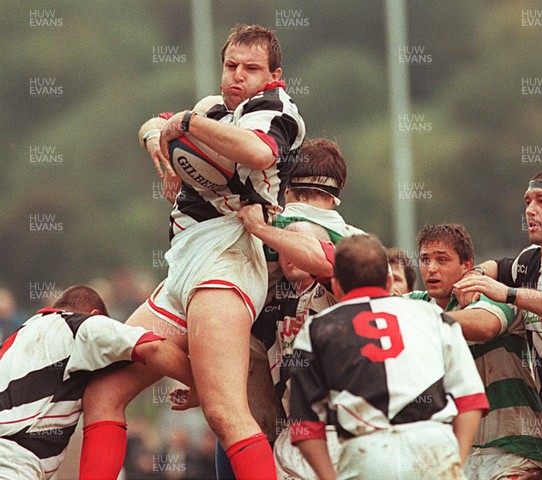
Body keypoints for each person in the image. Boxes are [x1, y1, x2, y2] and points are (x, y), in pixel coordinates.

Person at [81, 24, 305, 480]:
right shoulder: (214, 108)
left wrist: (184, 125)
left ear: (275, 75)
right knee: (102, 391)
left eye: (252, 68)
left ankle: (209, 384)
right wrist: (158, 142)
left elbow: (259, 154)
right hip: (183, 265)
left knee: (224, 413)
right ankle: (201, 376)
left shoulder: (275, 108)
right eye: (231, 66)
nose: (238, 75)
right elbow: (153, 123)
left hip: (230, 259)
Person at [289, 234, 489, 479]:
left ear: (337, 286)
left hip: (366, 453)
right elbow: (471, 399)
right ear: (388, 282)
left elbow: (305, 426)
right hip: (433, 447)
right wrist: (455, 461)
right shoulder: (433, 316)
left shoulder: (315, 329)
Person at [454, 170, 542, 480]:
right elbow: (500, 266)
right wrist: (477, 275)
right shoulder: (530, 260)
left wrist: (508, 293)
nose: (530, 210)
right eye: (527, 201)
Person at [0, 285, 196, 480]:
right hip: (13, 463)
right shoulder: (82, 325)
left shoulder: (19, 335)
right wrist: (200, 388)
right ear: (95, 315)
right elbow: (154, 348)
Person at [408, 224, 542, 479]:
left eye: (442, 259)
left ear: (467, 266)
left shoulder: (490, 293)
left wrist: (422, 321)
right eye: (425, 260)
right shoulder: (416, 304)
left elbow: (485, 326)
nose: (432, 268)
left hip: (513, 449)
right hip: (459, 453)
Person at [250, 221, 339, 479]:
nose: (289, 254)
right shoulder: (269, 306)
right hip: (291, 434)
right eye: (282, 247)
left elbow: (332, 262)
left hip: (339, 428)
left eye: (297, 245)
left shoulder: (338, 291)